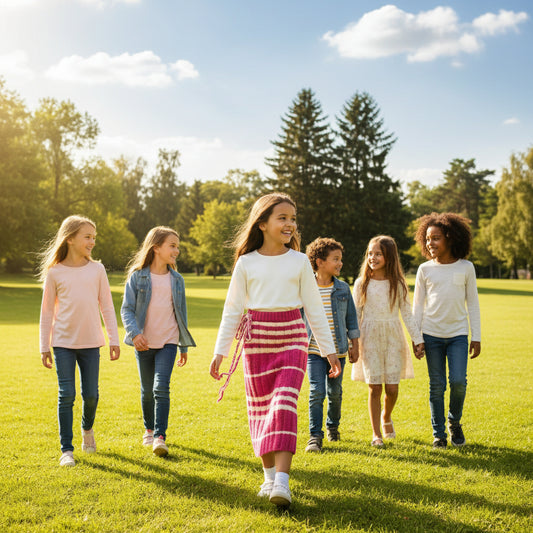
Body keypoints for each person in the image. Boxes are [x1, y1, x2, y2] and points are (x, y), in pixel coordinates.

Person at [209, 193, 340, 508]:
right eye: (282, 218)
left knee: (283, 406)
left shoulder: (298, 261)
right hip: (257, 343)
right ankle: (269, 477)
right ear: (263, 223)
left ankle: (282, 481)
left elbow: (314, 309)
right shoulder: (246, 262)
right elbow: (232, 309)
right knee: (260, 412)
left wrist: (329, 351)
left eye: (293, 219)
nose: (290, 224)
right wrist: (220, 351)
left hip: (292, 338)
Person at [39, 215, 120, 467]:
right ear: (70, 238)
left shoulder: (98, 270)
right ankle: (66, 450)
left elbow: (106, 306)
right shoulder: (55, 272)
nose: (92, 242)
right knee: (67, 395)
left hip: (91, 343)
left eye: (94, 237)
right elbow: (46, 314)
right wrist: (44, 346)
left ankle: (87, 429)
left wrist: (114, 338)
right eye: (87, 237)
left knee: (91, 395)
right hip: (62, 343)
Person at [121, 226, 196, 457]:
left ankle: (160, 437)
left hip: (168, 341)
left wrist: (183, 345)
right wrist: (135, 334)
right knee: (146, 391)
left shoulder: (177, 280)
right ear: (156, 248)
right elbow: (127, 310)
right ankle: (149, 428)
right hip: (143, 342)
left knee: (161, 387)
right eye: (172, 245)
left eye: (178, 246)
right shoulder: (137, 277)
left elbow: (181, 313)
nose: (177, 250)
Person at [413, 213, 481, 449]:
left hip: (458, 336)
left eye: (437, 238)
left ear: (450, 239)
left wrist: (477, 336)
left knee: (459, 381)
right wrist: (416, 337)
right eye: (428, 238)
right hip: (431, 335)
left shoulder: (466, 268)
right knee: (437, 385)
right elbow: (417, 306)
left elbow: (472, 303)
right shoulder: (424, 269)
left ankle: (454, 420)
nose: (431, 243)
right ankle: (439, 433)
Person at [352, 236, 424, 447]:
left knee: (392, 388)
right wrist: (353, 343)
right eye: (370, 253)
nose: (372, 257)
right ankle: (376, 434)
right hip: (369, 338)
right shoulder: (361, 284)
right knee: (374, 387)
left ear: (389, 257)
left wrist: (417, 339)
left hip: (393, 338)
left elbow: (407, 314)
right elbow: (355, 315)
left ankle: (386, 416)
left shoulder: (398, 284)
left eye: (378, 253)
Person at [303, 237, 359, 453]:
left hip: (339, 351)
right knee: (317, 392)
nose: (340, 263)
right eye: (335, 259)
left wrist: (355, 345)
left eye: (340, 259)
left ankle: (332, 426)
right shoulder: (306, 288)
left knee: (334, 393)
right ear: (319, 261)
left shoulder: (343, 288)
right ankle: (315, 436)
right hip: (313, 351)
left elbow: (352, 319)